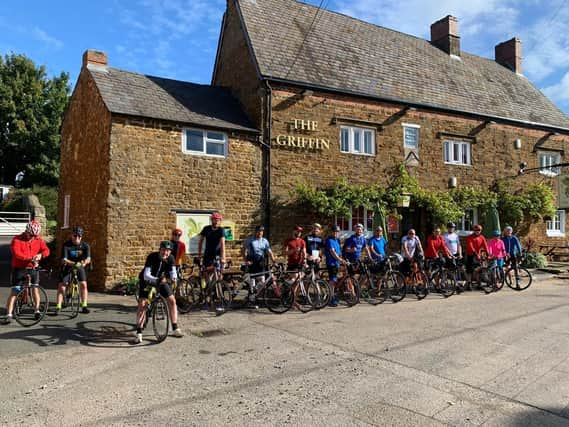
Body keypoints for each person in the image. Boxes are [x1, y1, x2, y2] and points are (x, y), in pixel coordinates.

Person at [132, 240, 183, 344]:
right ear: (160, 250)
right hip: (147, 281)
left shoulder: (171, 258)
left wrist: (173, 279)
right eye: (164, 250)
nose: (165, 253)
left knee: (172, 301)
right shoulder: (152, 257)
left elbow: (173, 272)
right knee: (142, 304)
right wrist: (156, 280)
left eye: (168, 251)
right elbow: (146, 274)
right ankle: (139, 333)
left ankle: (175, 328)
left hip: (161, 280)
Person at [3, 220, 50, 324]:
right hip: (19, 269)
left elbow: (46, 250)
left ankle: (37, 310)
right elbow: (17, 254)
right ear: (27, 231)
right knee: (15, 291)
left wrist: (41, 255)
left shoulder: (38, 239)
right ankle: (9, 314)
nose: (33, 237)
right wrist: (30, 258)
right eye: (31, 235)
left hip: (33, 268)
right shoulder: (17, 239)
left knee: (35, 290)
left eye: (35, 235)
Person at [54, 226, 92, 315]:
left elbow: (88, 258)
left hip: (79, 265)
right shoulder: (66, 245)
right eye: (75, 236)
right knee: (62, 287)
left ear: (81, 237)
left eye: (79, 236)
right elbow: (64, 259)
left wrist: (84, 263)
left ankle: (84, 306)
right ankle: (58, 306)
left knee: (83, 284)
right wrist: (72, 263)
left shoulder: (85, 246)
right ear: (72, 235)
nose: (77, 238)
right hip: (67, 266)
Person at [324, 225, 346, 307]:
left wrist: (343, 259)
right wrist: (340, 260)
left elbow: (339, 252)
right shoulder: (329, 240)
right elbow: (333, 252)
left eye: (337, 232)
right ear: (331, 232)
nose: (336, 233)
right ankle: (330, 298)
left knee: (335, 280)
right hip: (331, 263)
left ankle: (333, 295)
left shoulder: (337, 241)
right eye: (335, 231)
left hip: (336, 263)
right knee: (332, 281)